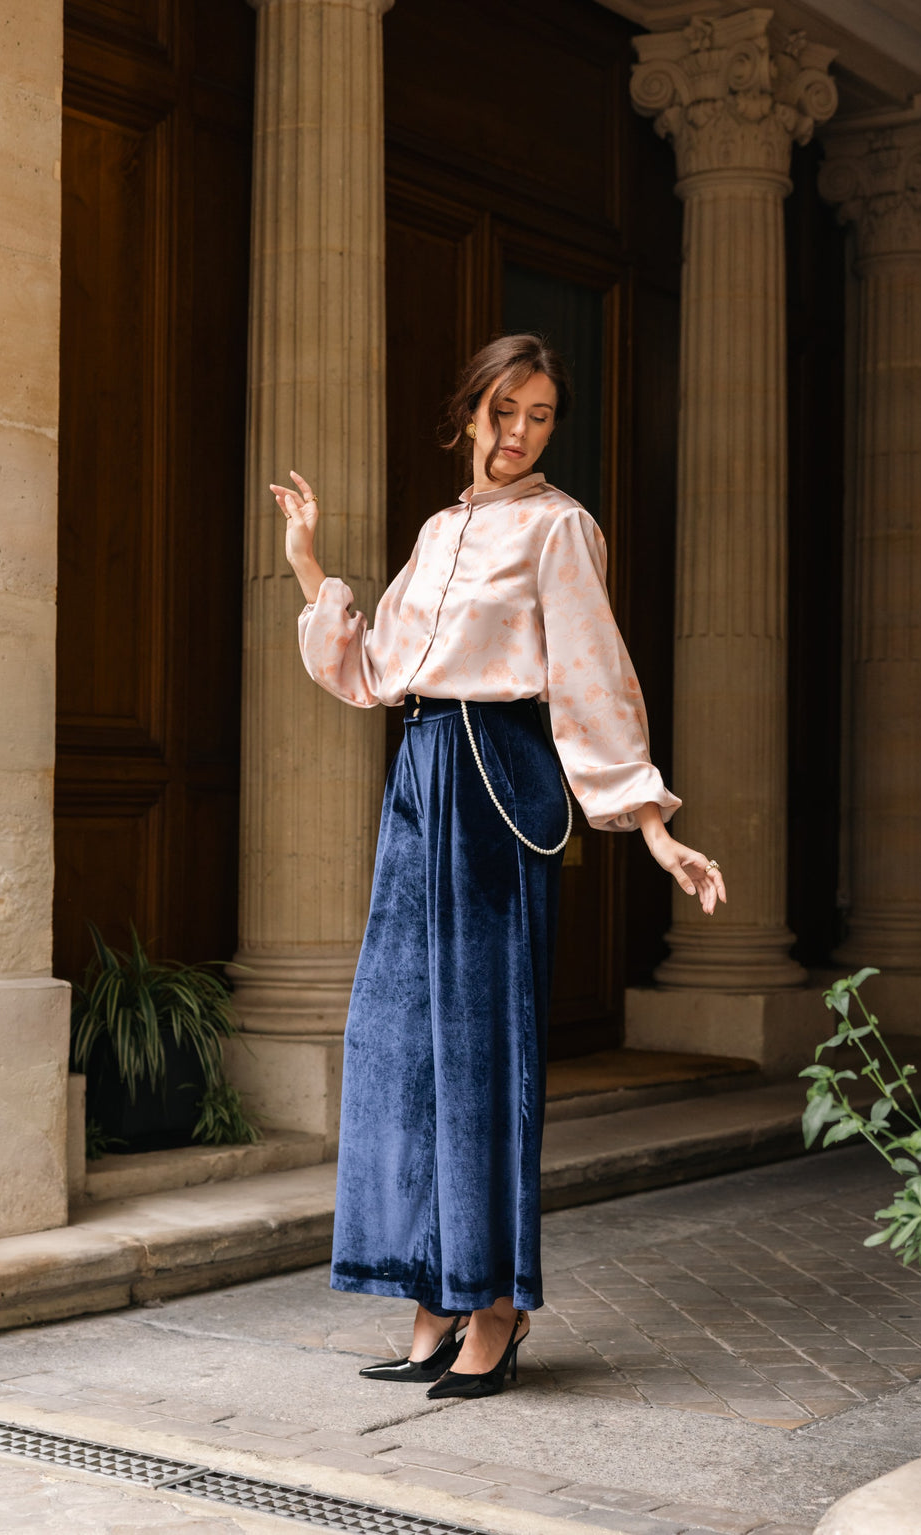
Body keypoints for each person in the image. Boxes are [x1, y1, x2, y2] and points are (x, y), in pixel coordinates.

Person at [270, 333, 726, 1402]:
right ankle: (432, 1296)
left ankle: (497, 1308)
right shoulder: (437, 532)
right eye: (503, 411)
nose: (518, 433)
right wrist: (306, 558)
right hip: (421, 773)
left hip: (497, 775)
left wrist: (650, 821)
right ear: (467, 412)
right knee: (400, 1041)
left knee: (479, 1052)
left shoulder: (561, 527)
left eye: (540, 416)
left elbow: (591, 674)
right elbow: (374, 671)